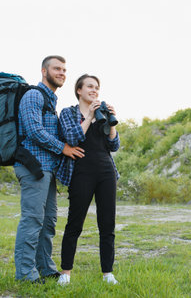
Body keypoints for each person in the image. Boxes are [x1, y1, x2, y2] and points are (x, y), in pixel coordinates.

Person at [13, 55, 85, 283]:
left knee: (48, 221)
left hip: (47, 170)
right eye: (57, 68)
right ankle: (25, 274)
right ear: (44, 71)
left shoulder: (51, 102)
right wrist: (62, 147)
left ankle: (45, 268)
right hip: (33, 167)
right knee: (33, 219)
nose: (62, 73)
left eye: (64, 69)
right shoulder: (33, 95)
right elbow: (34, 131)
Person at [56, 74, 120, 285]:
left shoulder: (103, 112)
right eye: (90, 86)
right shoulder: (68, 113)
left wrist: (112, 121)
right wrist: (90, 117)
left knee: (107, 224)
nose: (94, 90)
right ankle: (66, 273)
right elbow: (72, 138)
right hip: (81, 173)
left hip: (106, 172)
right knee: (74, 224)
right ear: (79, 90)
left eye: (97, 87)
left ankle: (107, 273)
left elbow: (114, 145)